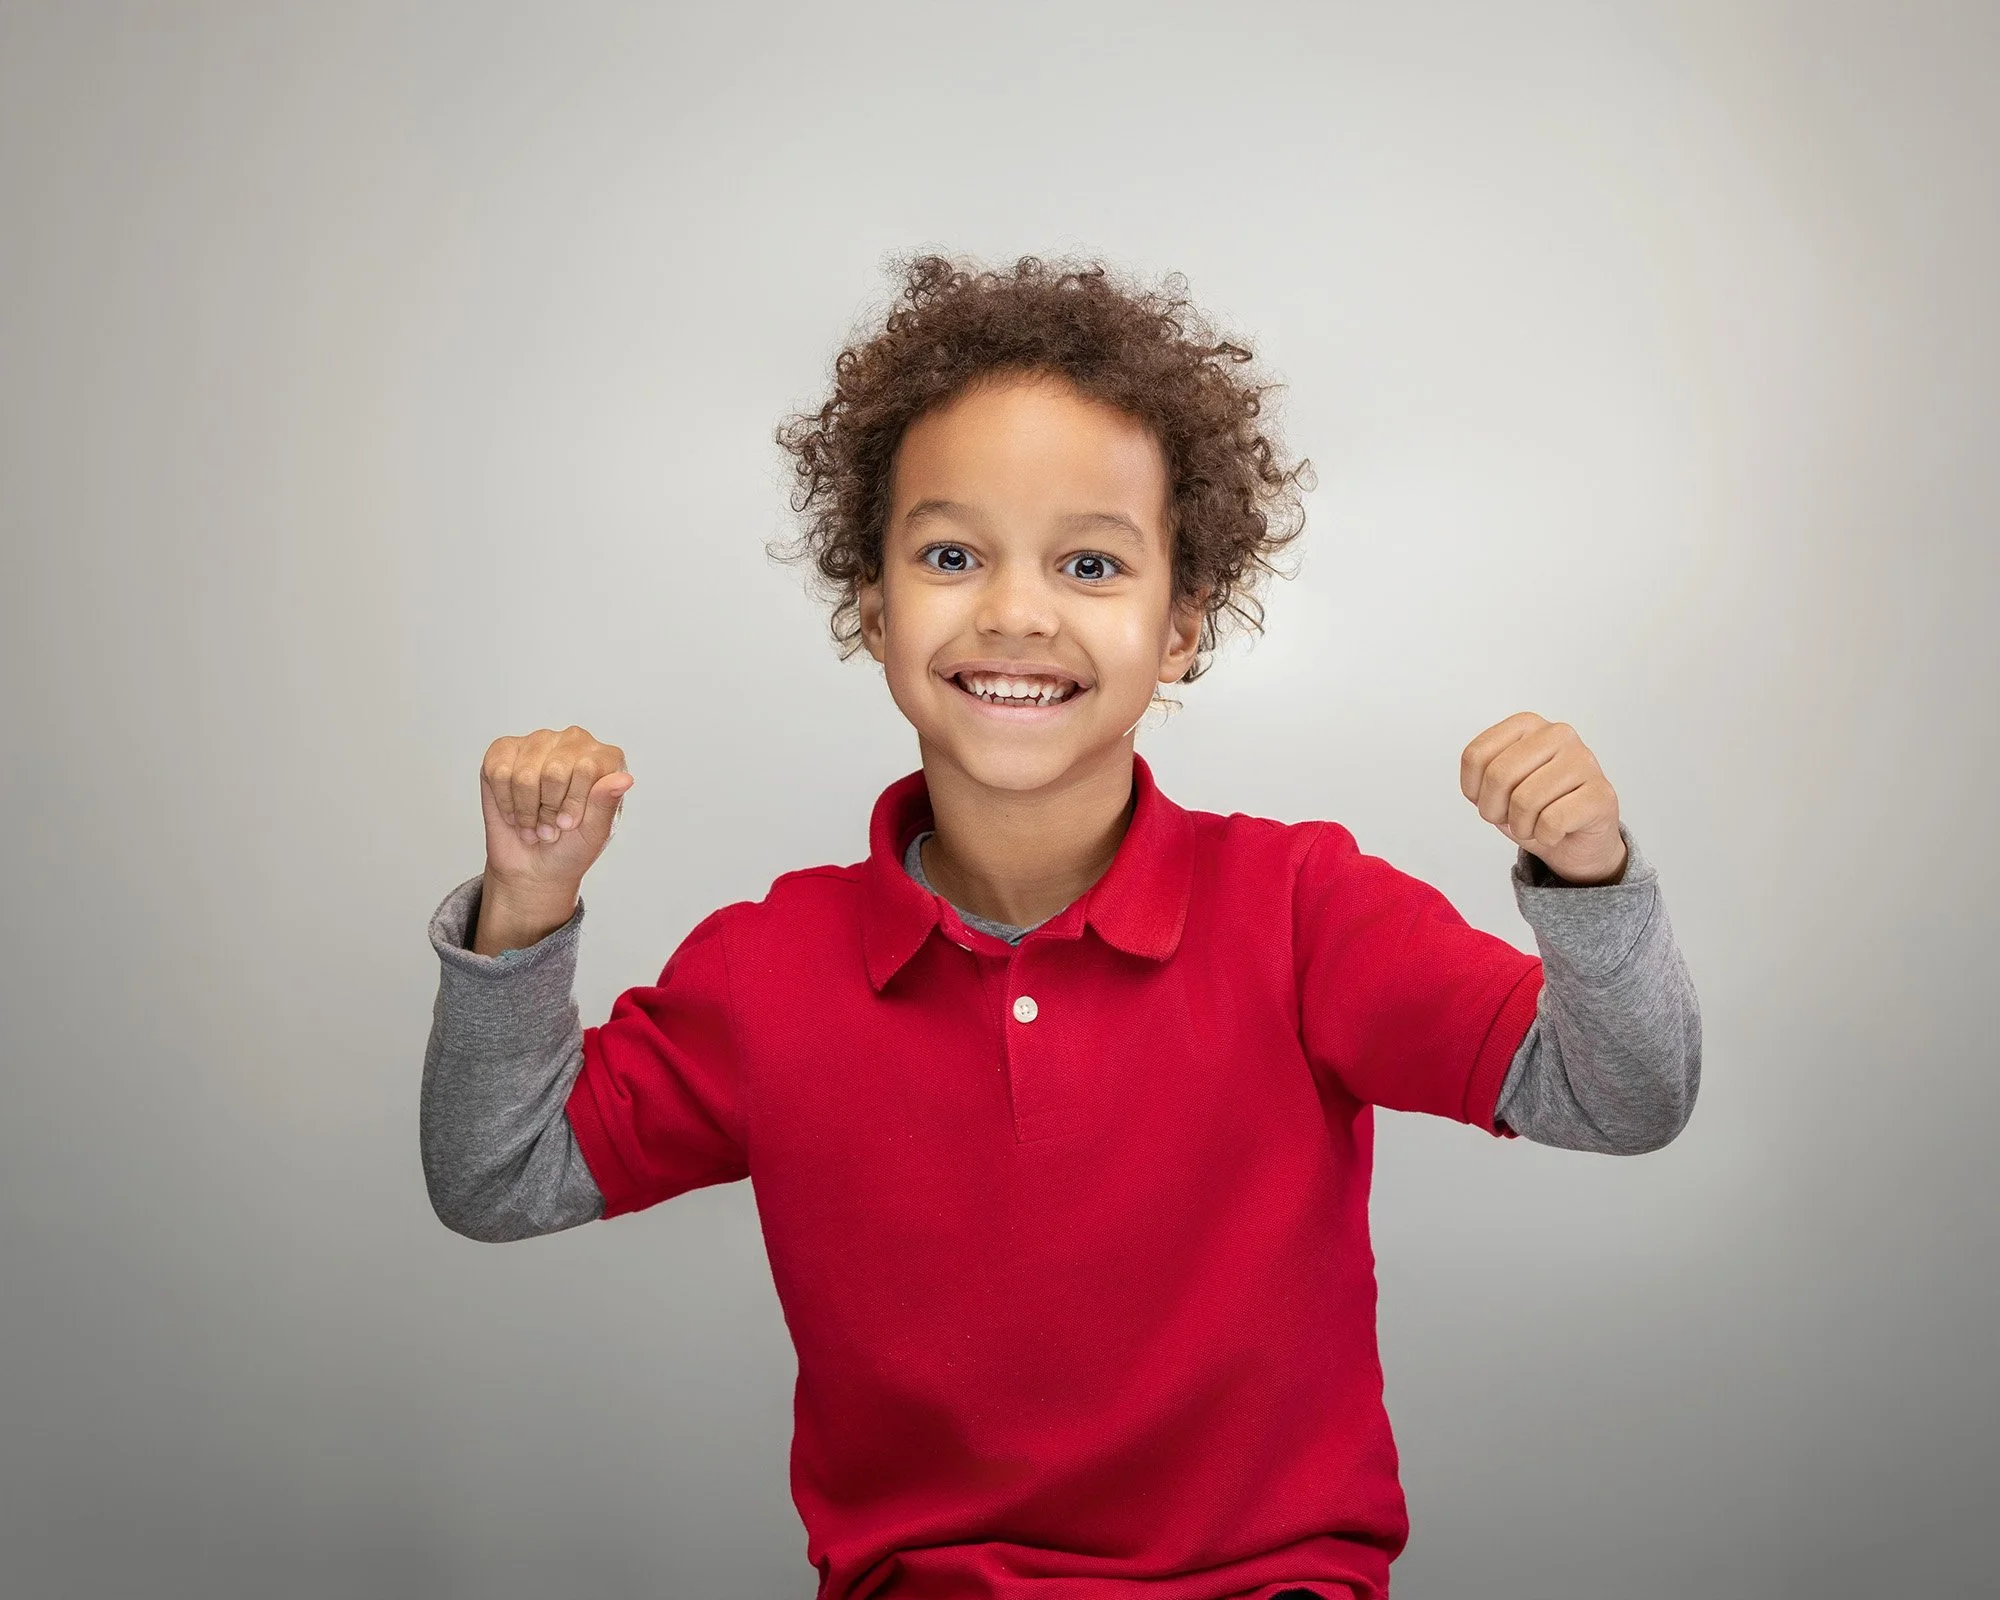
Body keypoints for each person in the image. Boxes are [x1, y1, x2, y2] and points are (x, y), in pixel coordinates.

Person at [420, 254, 1701, 1600]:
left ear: (1182, 626)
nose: (1017, 610)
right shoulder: (770, 970)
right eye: (953, 554)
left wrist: (1590, 877)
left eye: (1090, 562)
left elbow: (1623, 1095)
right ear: (873, 606)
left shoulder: (1303, 912)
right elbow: (499, 1177)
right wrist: (528, 905)